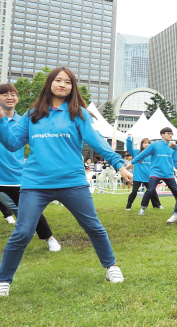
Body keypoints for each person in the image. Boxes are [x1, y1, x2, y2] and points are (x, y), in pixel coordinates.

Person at [0, 67, 134, 296]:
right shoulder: (33, 114)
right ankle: (4, 279)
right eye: (58, 80)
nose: (62, 85)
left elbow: (97, 142)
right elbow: (13, 144)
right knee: (22, 232)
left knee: (93, 226)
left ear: (72, 87)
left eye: (68, 82)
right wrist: (2, 121)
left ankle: (111, 266)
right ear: (50, 83)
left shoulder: (78, 113)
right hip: (35, 184)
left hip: (72, 182)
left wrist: (119, 164)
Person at [0, 83, 62, 251]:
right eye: (5, 94)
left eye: (13, 94)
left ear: (17, 99)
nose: (10, 97)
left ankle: (49, 238)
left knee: (30, 211)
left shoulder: (25, 121)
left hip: (15, 176)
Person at [131, 128, 177, 217]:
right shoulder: (155, 145)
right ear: (162, 135)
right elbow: (143, 154)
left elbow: (175, 161)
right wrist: (132, 162)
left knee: (176, 191)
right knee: (150, 190)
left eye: (171, 133)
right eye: (168, 133)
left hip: (168, 174)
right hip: (156, 173)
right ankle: (142, 209)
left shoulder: (173, 146)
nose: (170, 135)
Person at [125, 135, 162, 210]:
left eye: (148, 143)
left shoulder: (152, 154)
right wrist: (129, 139)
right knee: (134, 192)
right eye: (144, 143)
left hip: (148, 176)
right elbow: (129, 148)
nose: (146, 144)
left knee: (152, 191)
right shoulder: (136, 152)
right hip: (138, 176)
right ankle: (128, 206)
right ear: (141, 144)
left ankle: (157, 205)